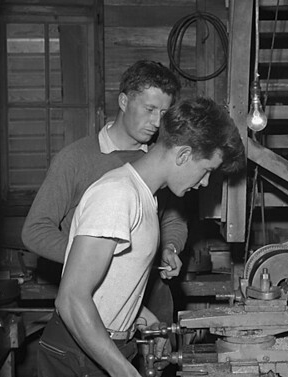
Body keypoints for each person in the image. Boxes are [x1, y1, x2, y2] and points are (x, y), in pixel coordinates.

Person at [37, 97, 246, 377]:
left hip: (104, 345)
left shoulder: (145, 197)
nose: (205, 182)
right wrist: (123, 370)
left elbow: (112, 283)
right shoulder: (117, 194)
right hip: (78, 355)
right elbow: (72, 299)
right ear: (183, 155)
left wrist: (146, 319)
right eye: (207, 170)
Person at [21, 59, 187, 280]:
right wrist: (91, 260)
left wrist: (170, 248)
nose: (157, 122)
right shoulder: (74, 159)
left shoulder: (160, 159)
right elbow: (35, 231)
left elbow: (172, 218)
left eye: (164, 113)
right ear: (123, 101)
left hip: (151, 293)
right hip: (94, 297)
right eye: (149, 109)